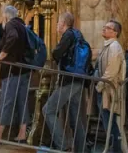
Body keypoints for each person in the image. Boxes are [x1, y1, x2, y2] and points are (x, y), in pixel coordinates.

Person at [0, 6, 30, 146]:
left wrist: (1, 55)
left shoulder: (10, 24)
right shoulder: (22, 25)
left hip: (11, 70)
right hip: (23, 70)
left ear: (5, 16)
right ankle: (22, 134)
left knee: (6, 102)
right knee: (23, 102)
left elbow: (13, 37)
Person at [43, 12, 88, 152]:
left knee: (48, 110)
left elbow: (56, 53)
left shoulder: (68, 35)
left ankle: (62, 146)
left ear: (63, 23)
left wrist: (56, 56)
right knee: (75, 118)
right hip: (79, 79)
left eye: (58, 22)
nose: (56, 25)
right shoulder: (78, 34)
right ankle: (82, 149)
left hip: (69, 79)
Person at [94, 20, 125, 152]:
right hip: (104, 89)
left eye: (108, 28)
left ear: (115, 32)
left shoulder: (114, 47)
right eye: (104, 27)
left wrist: (99, 86)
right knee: (108, 121)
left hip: (108, 90)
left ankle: (115, 150)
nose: (104, 29)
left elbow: (111, 71)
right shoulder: (108, 46)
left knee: (111, 122)